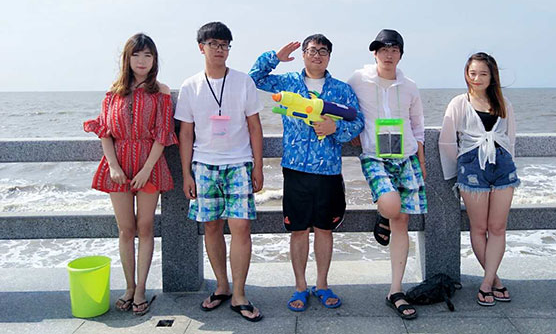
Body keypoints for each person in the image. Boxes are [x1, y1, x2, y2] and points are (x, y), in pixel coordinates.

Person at [249, 35, 364, 312]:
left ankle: (322, 284)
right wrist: (274, 58)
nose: (317, 55)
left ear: (329, 57)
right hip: (295, 169)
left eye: (323, 51)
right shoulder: (288, 82)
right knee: (298, 230)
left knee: (325, 229)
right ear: (303, 54)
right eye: (312, 50)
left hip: (328, 171)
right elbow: (253, 79)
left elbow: (358, 121)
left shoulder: (341, 90)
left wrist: (336, 129)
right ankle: (300, 287)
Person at [175, 22, 264, 322]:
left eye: (224, 44)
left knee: (241, 226)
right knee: (211, 227)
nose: (219, 49)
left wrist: (258, 165)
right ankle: (222, 286)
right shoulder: (190, 86)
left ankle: (239, 294)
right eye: (213, 43)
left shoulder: (243, 82)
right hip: (204, 164)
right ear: (201, 47)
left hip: (239, 162)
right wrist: (186, 174)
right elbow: (185, 133)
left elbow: (255, 126)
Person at [83, 33, 177, 316]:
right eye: (136, 55)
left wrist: (147, 169)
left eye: (148, 55)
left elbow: (163, 133)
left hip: (149, 164)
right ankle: (128, 286)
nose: (142, 61)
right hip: (119, 166)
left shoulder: (161, 92)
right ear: (127, 58)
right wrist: (113, 166)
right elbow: (105, 132)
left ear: (154, 60)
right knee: (125, 229)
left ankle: (141, 290)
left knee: (145, 227)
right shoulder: (113, 92)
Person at [347, 29, 427, 320]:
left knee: (402, 221)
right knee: (393, 208)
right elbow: (344, 107)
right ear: (375, 53)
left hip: (405, 156)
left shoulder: (410, 86)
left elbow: (418, 126)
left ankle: (395, 290)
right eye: (383, 49)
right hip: (375, 156)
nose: (388, 55)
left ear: (401, 55)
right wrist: (352, 131)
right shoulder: (358, 79)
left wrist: (422, 161)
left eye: (393, 50)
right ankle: (383, 213)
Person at [438, 52, 520, 306]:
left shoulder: (503, 103)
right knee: (479, 228)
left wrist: (508, 162)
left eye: (483, 73)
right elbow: (447, 141)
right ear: (466, 74)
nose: (477, 78)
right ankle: (494, 281)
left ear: (492, 76)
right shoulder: (459, 103)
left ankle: (486, 283)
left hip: (503, 166)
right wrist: (458, 170)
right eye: (472, 73)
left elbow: (510, 138)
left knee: (498, 227)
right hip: (472, 167)